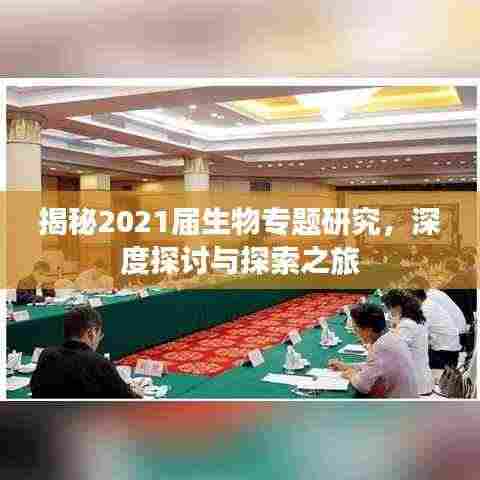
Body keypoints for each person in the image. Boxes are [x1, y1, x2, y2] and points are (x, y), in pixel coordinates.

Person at [30, 306, 139, 398]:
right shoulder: (99, 363)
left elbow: (35, 390)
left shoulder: (46, 355)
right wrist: (135, 392)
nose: (99, 340)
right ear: (91, 333)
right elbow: (128, 401)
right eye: (100, 335)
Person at [328, 303, 418, 398]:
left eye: (355, 328)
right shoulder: (390, 336)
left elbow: (362, 386)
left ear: (368, 330)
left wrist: (351, 374)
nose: (355, 333)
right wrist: (347, 366)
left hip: (398, 405)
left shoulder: (380, 348)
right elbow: (373, 366)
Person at [382, 289, 434, 395]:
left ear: (397, 307)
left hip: (415, 384)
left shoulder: (407, 325)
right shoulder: (416, 319)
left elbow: (392, 353)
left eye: (389, 308)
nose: (389, 312)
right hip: (420, 377)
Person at [409, 289, 461, 369]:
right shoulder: (429, 303)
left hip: (445, 353)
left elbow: (418, 335)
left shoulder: (425, 309)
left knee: (414, 353)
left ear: (415, 298)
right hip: (450, 349)